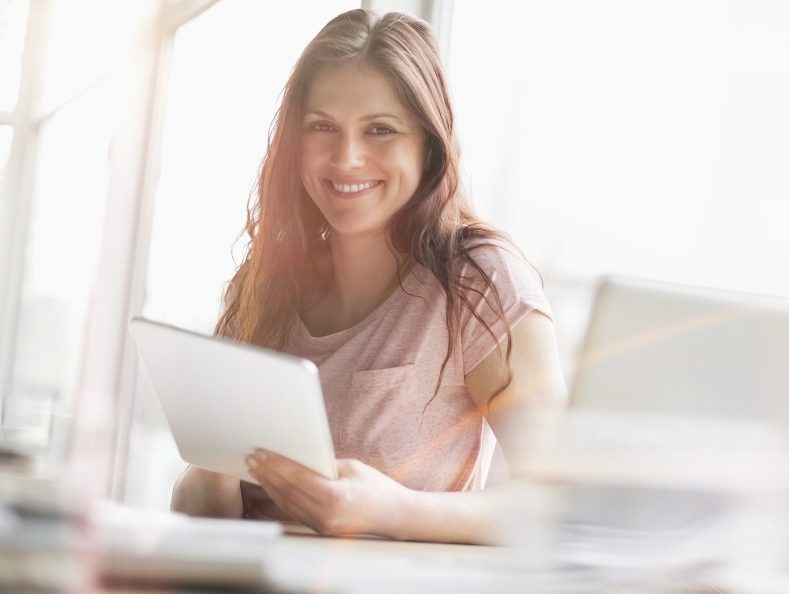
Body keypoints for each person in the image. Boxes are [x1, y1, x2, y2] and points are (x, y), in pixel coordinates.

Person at [170, 9, 566, 545]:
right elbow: (202, 510)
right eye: (322, 127)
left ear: (428, 144)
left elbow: (553, 505)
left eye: (380, 129)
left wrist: (393, 511)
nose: (347, 158)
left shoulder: (480, 283)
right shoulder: (260, 286)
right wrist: (214, 474)